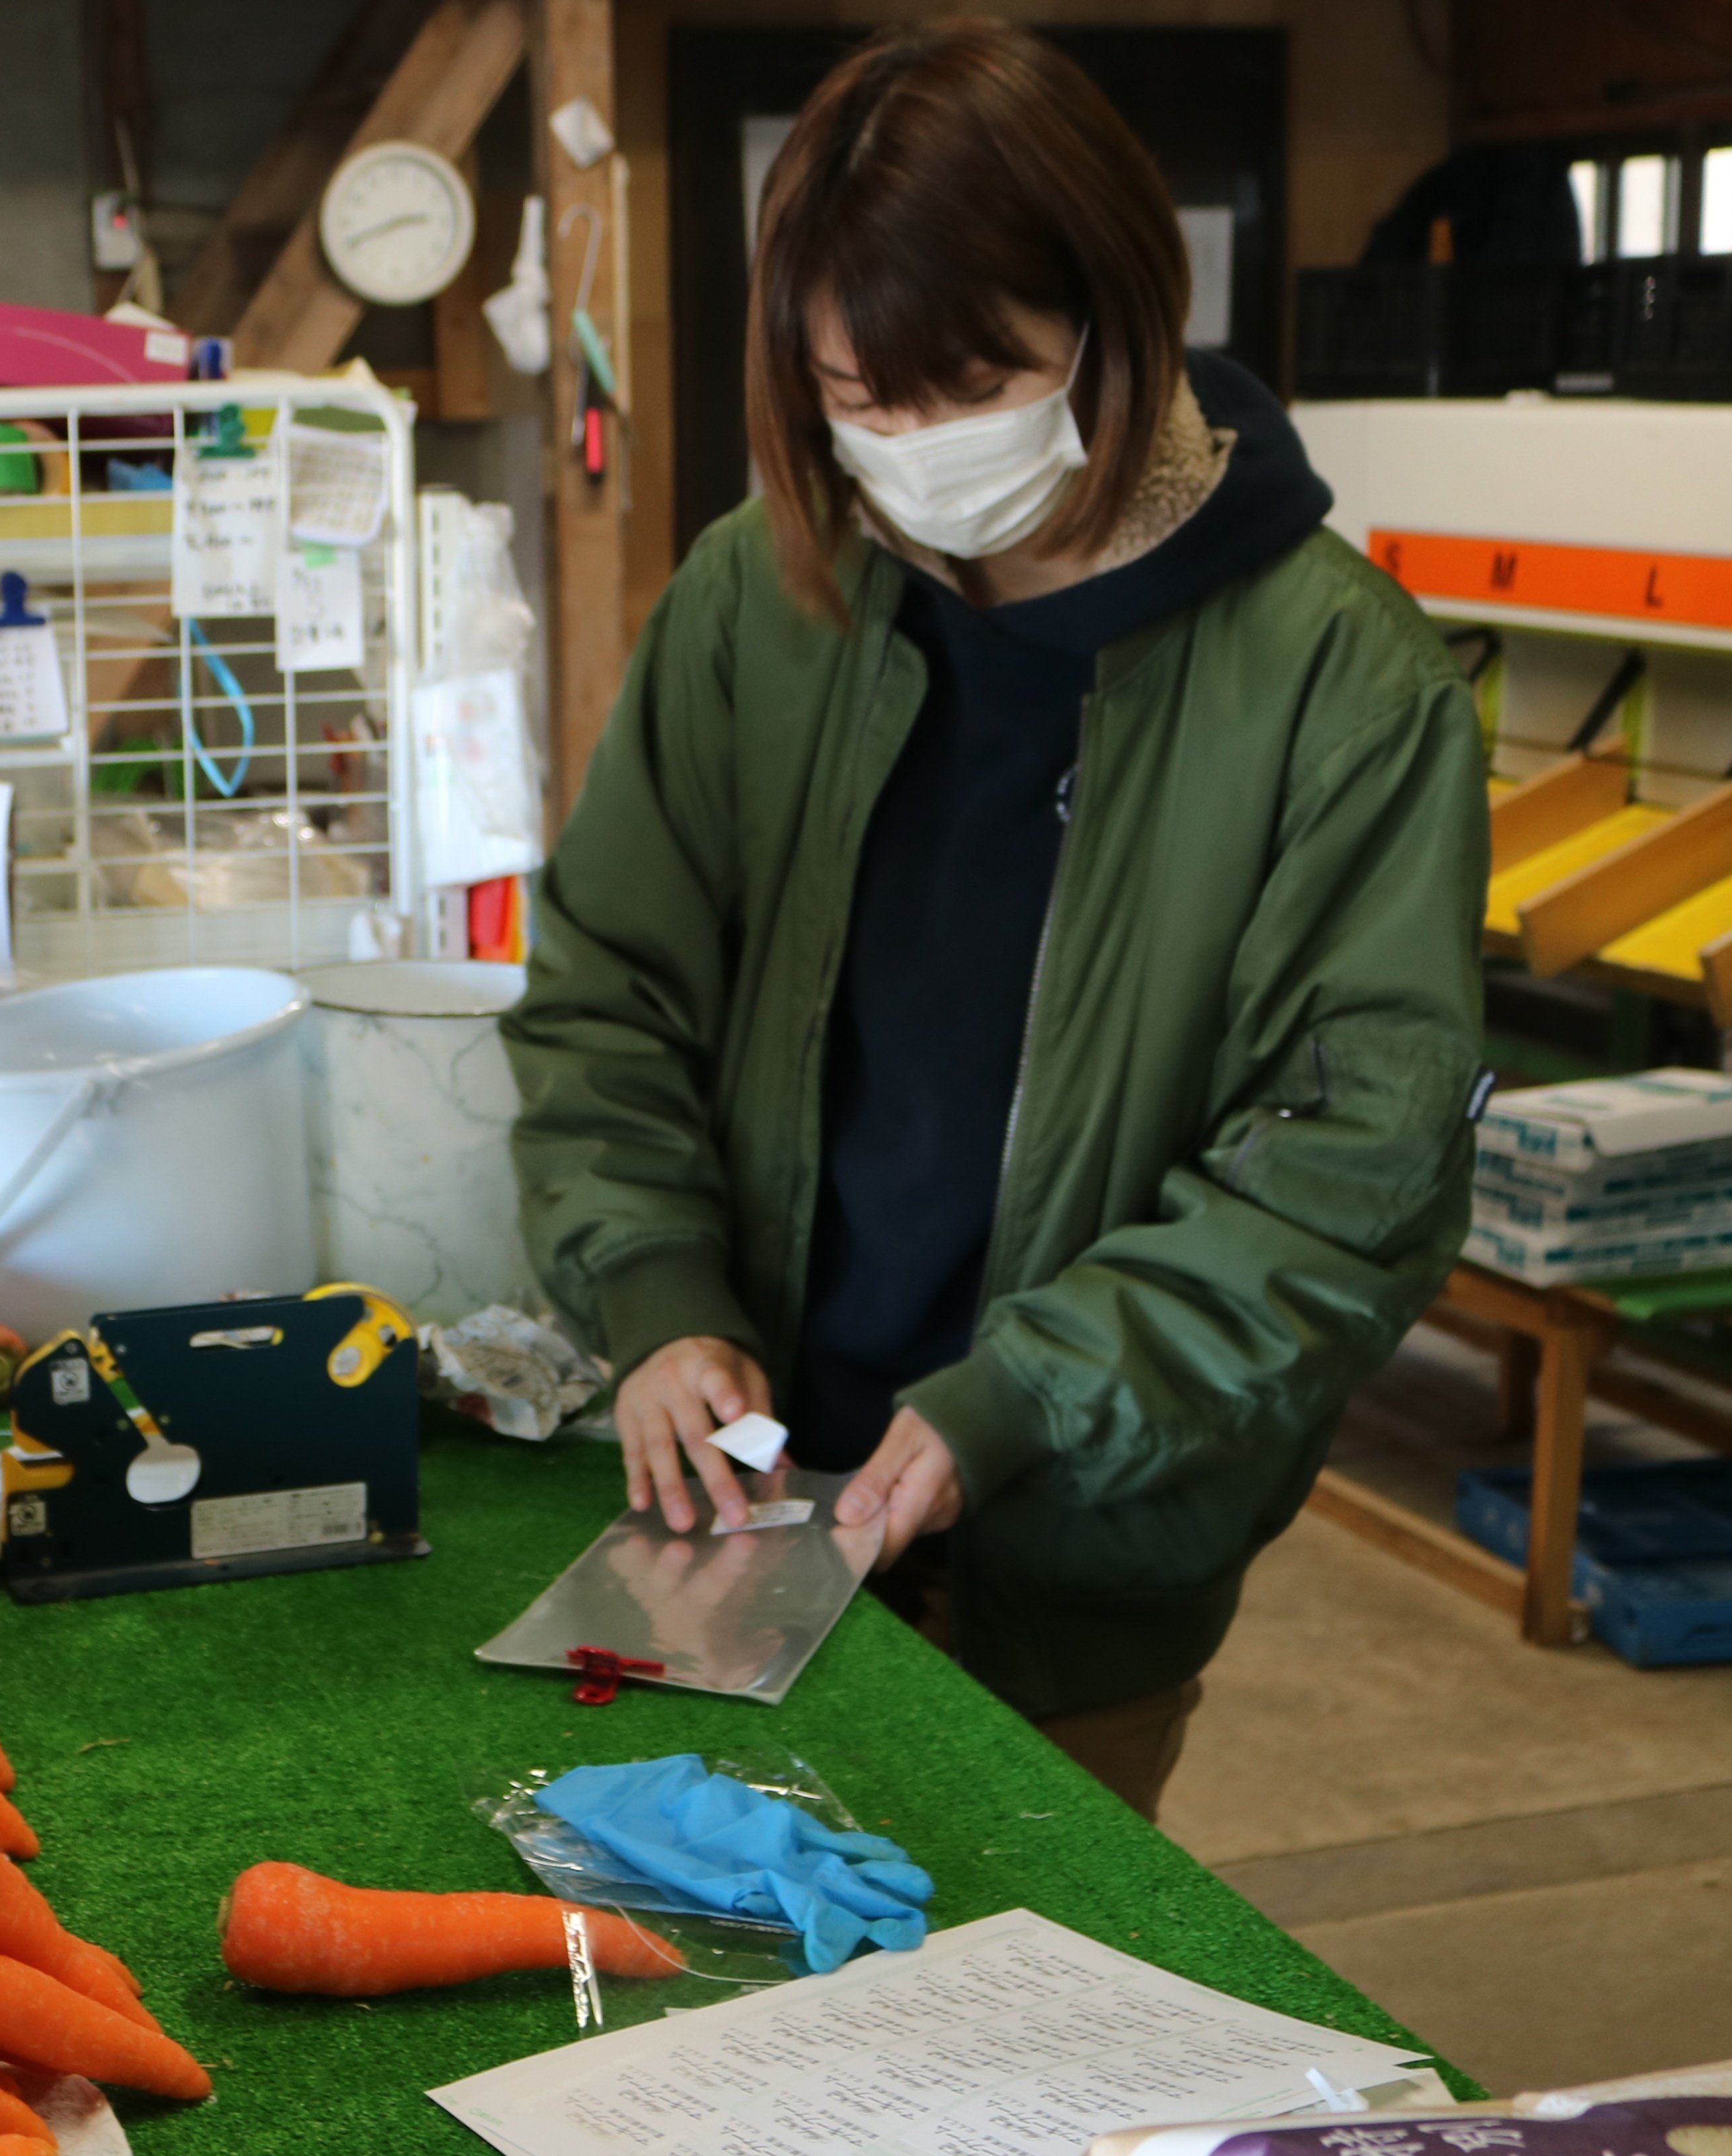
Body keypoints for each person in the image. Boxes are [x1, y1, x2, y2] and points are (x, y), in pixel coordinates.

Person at [502, 21, 1486, 1819]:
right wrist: (655, 1293)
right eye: (851, 401)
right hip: (734, 1502)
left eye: (967, 389)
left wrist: (1018, 1402)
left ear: (1112, 318)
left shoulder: (1339, 690)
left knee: (1003, 2016)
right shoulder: (758, 597)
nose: (907, 453)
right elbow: (606, 993)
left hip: (1082, 1543)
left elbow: (1352, 1175)